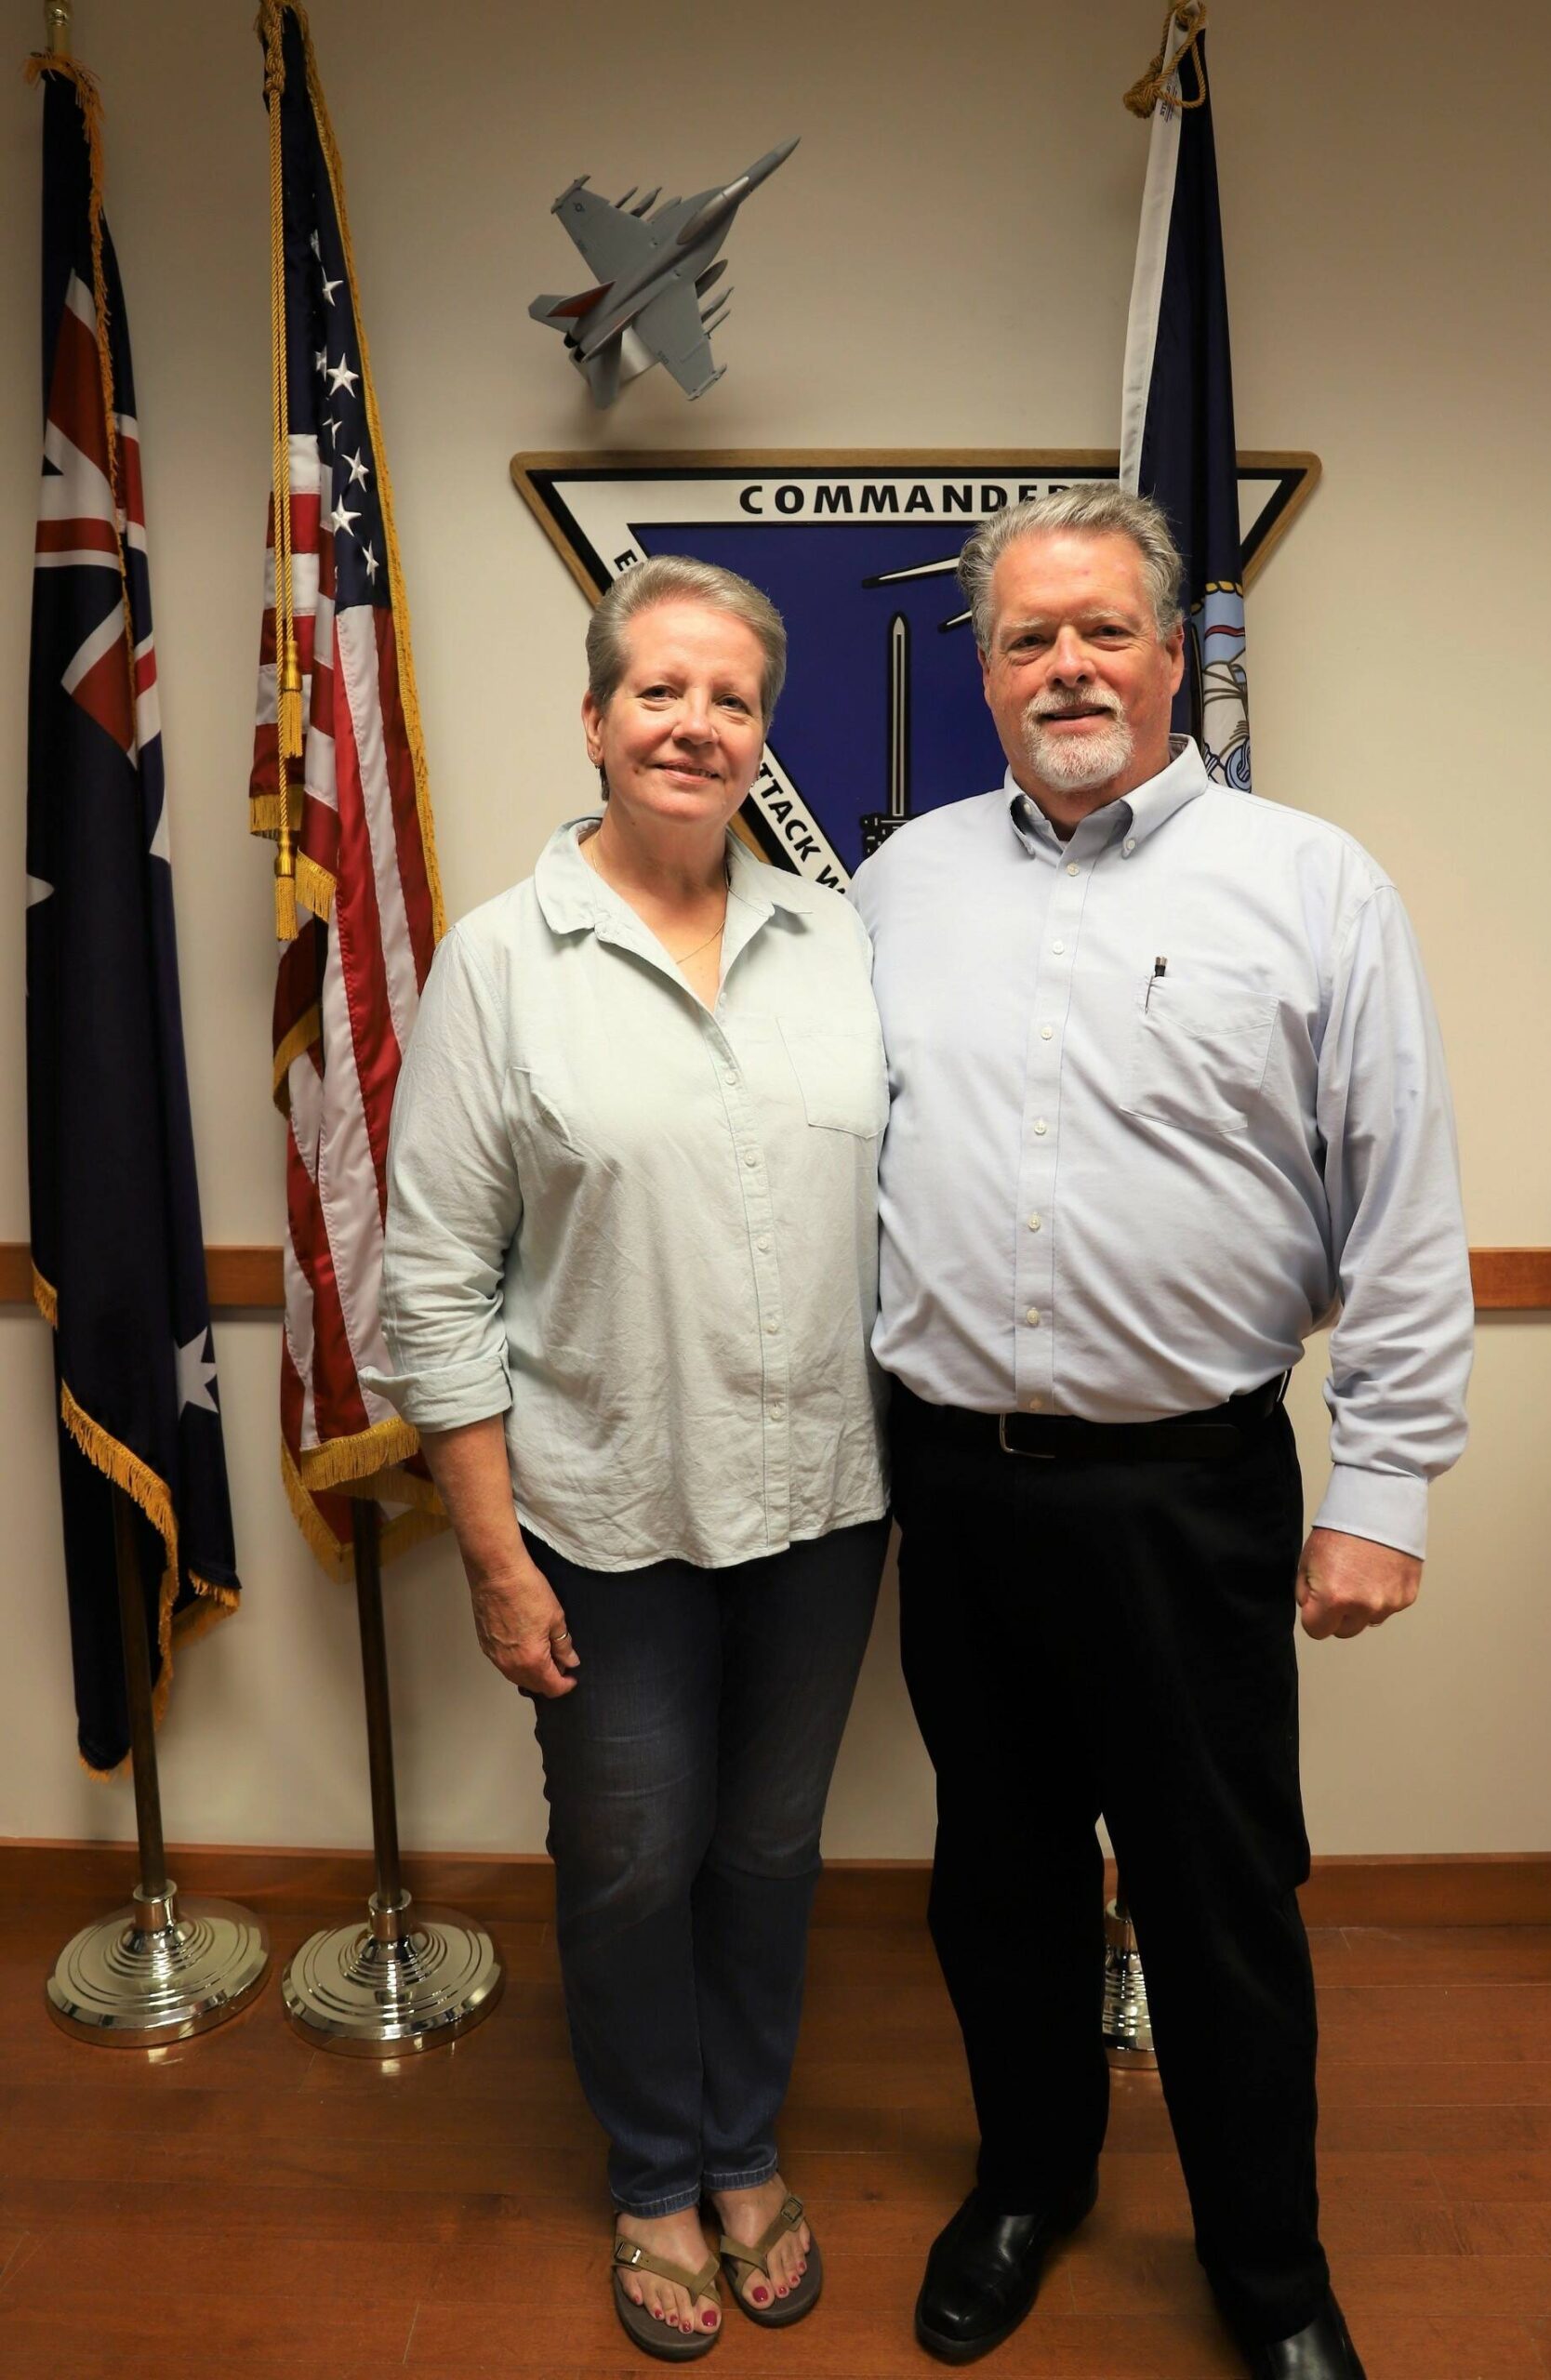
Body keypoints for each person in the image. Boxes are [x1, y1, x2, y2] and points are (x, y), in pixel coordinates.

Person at [849, 485, 1473, 2380]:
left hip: (1192, 1488)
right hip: (957, 1486)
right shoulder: (899, 882)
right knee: (999, 1872)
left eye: (1097, 631)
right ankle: (1030, 2177)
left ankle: (1267, 2269)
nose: (1063, 667)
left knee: (1216, 1897)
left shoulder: (1307, 882)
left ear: (1169, 650)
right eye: (1024, 637)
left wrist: (1382, 1485)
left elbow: (1399, 1203)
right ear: (982, 670)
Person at [365, 555, 889, 2363]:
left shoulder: (840, 944)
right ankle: (655, 2173)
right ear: (594, 720)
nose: (691, 722)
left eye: (728, 697)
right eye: (655, 689)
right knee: (627, 1855)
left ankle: (742, 2147)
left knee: (766, 1850)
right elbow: (432, 1281)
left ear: (760, 736)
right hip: (596, 1519)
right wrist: (497, 1556)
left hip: (822, 1504)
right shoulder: (503, 960)